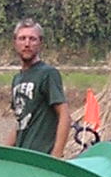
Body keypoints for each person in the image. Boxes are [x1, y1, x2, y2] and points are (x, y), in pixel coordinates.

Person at [7, 19, 68, 157]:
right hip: (23, 156)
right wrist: (2, 153)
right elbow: (20, 122)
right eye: (22, 38)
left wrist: (56, 156)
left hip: (41, 157)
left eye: (32, 39)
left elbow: (64, 115)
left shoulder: (47, 74)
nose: (27, 44)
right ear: (15, 42)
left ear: (40, 43)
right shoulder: (17, 79)